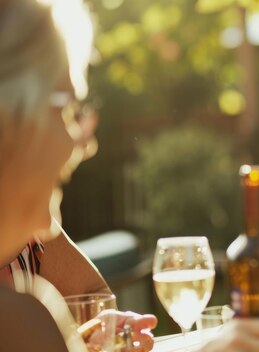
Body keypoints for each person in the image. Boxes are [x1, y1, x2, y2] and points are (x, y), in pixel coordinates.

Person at [0, 0, 156, 350]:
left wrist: (80, 336)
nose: (80, 143)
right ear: (11, 117)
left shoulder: (33, 247)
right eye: (66, 110)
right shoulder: (18, 319)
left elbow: (94, 298)